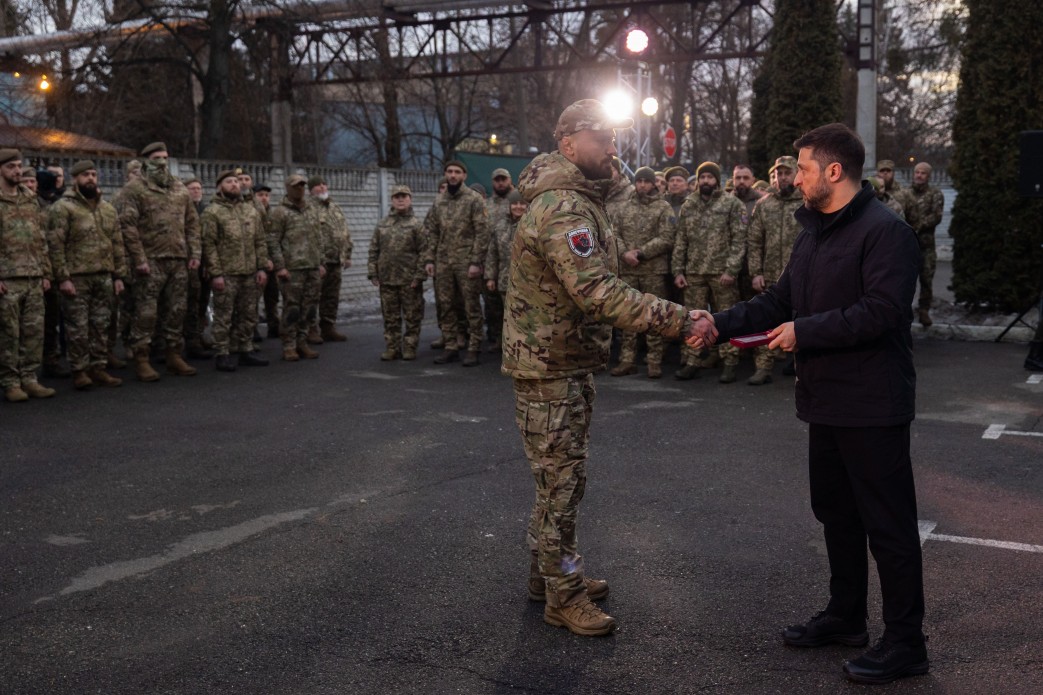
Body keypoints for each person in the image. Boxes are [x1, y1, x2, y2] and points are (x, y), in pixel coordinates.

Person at [690, 123, 928, 685]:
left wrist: (805, 333)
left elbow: (883, 312)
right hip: (825, 401)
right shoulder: (814, 230)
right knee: (837, 517)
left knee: (889, 528)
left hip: (873, 404)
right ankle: (846, 616)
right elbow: (780, 299)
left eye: (802, 169)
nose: (793, 178)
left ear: (835, 172)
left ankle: (906, 643)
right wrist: (718, 324)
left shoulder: (885, 232)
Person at [503, 99, 713, 637]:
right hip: (551, 367)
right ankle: (563, 595)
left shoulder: (579, 198)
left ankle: (547, 577)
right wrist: (679, 318)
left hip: (563, 361)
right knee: (561, 485)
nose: (614, 149)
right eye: (603, 140)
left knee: (557, 481)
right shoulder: (564, 208)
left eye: (616, 140)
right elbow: (597, 291)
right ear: (568, 144)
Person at [118, 142, 202, 381]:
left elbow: (192, 224)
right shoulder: (134, 189)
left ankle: (174, 354)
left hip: (178, 259)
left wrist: (194, 253)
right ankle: (142, 357)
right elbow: (128, 227)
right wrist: (139, 259)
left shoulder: (179, 188)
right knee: (146, 312)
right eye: (156, 158)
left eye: (165, 157)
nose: (162, 162)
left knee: (177, 310)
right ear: (146, 161)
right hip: (150, 260)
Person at [46, 160, 127, 390]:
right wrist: (63, 278)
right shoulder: (63, 208)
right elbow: (55, 245)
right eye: (85, 175)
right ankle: (80, 370)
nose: (91, 178)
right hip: (77, 277)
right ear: (75, 179)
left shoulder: (107, 209)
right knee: (77, 328)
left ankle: (98, 367)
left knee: (101, 325)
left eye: (93, 174)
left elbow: (117, 244)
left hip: (104, 275)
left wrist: (118, 275)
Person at [672, 161, 747, 383]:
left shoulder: (731, 204)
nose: (706, 181)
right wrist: (678, 270)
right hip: (694, 272)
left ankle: (729, 362)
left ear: (717, 181)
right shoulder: (689, 204)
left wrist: (731, 269)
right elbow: (681, 240)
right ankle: (693, 361)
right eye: (702, 177)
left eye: (710, 177)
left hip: (722, 273)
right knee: (692, 319)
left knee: (727, 317)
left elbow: (739, 240)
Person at [608, 166, 676, 378]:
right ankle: (627, 359)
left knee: (654, 314)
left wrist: (641, 253)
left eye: (646, 181)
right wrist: (624, 253)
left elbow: (667, 237)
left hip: (652, 270)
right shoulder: (623, 208)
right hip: (628, 269)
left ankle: (654, 360)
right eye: (639, 181)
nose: (642, 185)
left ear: (653, 183)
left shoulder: (663, 208)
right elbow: (613, 235)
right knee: (628, 315)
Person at [0, 149, 56, 401]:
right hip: (8, 277)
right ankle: (10, 381)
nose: (18, 171)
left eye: (19, 166)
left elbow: (40, 238)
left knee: (34, 331)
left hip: (33, 275)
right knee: (8, 332)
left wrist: (46, 272)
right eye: (11, 166)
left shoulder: (29, 199)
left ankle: (30, 378)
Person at [200, 170, 270, 371]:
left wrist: (262, 268)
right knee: (224, 315)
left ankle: (245, 348)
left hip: (249, 272)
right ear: (219, 186)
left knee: (248, 313)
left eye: (236, 182)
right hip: (227, 273)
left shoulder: (250, 211)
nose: (234, 184)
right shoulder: (212, 212)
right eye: (229, 181)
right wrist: (216, 273)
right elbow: (209, 245)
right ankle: (222, 352)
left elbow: (260, 241)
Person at [422, 160, 489, 366]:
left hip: (466, 262)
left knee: (470, 306)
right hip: (443, 262)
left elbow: (482, 232)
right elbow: (431, 231)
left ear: (464, 176)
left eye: (457, 172)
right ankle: (451, 346)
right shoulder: (439, 201)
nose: (452, 175)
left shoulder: (473, 200)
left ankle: (474, 347)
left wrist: (476, 261)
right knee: (446, 305)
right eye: (449, 172)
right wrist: (430, 259)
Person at [745, 156, 802, 385]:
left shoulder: (808, 202)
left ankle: (804, 372)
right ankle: (763, 368)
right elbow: (755, 241)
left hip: (801, 275)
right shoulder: (764, 204)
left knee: (803, 323)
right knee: (766, 321)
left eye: (787, 173)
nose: (782, 177)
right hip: (771, 275)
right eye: (779, 173)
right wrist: (755, 272)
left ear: (796, 173)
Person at [367, 184, 426, 361]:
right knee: (390, 316)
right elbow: (373, 250)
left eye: (404, 196)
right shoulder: (382, 225)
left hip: (409, 280)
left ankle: (409, 346)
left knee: (412, 316)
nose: (400, 199)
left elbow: (425, 252)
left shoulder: (417, 225)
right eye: (397, 196)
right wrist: (373, 273)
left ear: (410, 199)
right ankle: (392, 347)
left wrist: (419, 276)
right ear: (392, 200)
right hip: (387, 280)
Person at [269, 174, 323, 362]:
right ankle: (289, 345)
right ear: (287, 188)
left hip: (312, 267)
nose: (299, 189)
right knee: (292, 308)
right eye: (296, 186)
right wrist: (280, 267)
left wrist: (320, 262)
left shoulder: (311, 209)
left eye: (302, 185)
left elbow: (318, 237)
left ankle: (302, 341)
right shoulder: (280, 212)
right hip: (292, 269)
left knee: (309, 308)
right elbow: (273, 241)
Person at [308, 175, 352, 343]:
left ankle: (328, 327)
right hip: (318, 262)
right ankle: (311, 329)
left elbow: (344, 231)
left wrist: (347, 255)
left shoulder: (334, 206)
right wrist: (316, 261)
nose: (322, 187)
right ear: (311, 190)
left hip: (335, 260)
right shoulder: (308, 208)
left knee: (332, 296)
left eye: (324, 184)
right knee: (313, 296)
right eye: (318, 185)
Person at [902, 162, 944, 327]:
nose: (919, 175)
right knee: (904, 280)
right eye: (917, 172)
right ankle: (904, 310)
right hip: (907, 247)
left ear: (928, 176)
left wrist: (917, 226)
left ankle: (924, 310)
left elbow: (937, 216)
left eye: (923, 173)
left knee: (926, 279)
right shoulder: (905, 194)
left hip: (926, 246)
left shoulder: (935, 194)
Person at [483, 168, 514, 352]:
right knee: (493, 307)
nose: (500, 183)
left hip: (511, 263)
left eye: (504, 179)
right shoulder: (486, 205)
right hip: (492, 261)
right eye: (497, 180)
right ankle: (497, 339)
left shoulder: (518, 200)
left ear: (510, 180)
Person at [182, 177, 213, 359]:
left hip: (204, 262)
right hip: (188, 262)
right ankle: (189, 338)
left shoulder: (206, 210)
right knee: (189, 302)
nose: (196, 191)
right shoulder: (183, 210)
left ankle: (199, 334)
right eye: (192, 188)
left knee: (203, 300)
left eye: (198, 188)